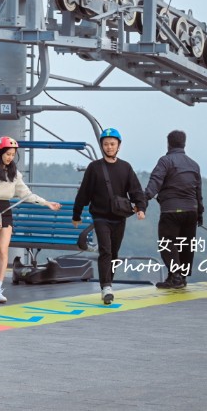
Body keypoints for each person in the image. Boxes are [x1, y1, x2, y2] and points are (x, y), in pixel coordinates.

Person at [0, 136, 62, 304]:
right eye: (7, 154)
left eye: (13, 154)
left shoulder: (14, 173)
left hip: (5, 211)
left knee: (4, 251)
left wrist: (46, 203)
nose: (10, 157)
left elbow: (26, 194)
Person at [72, 128, 146, 304]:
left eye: (112, 144)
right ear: (101, 146)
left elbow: (135, 190)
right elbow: (84, 193)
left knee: (114, 253)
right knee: (105, 250)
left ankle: (108, 284)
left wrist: (141, 207)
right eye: (106, 144)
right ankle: (106, 287)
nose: (109, 147)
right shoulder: (94, 168)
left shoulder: (125, 167)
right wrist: (77, 214)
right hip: (100, 217)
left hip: (119, 217)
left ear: (119, 145)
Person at [144, 129, 204, 289]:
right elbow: (198, 191)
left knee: (167, 243)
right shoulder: (194, 165)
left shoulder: (165, 161)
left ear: (168, 143)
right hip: (191, 210)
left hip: (171, 210)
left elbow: (156, 180)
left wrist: (145, 197)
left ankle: (176, 275)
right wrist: (200, 213)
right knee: (185, 244)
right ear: (184, 143)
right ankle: (178, 278)